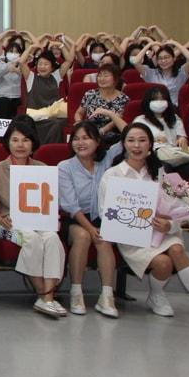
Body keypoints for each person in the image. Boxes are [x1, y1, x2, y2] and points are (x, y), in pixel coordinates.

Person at [100, 122, 189, 334]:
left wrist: (170, 224)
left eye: (142, 140)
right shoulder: (113, 175)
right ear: (124, 144)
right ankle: (156, 294)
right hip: (132, 237)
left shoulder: (161, 173)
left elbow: (177, 211)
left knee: (177, 249)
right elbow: (104, 212)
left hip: (162, 232)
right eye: (131, 140)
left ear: (150, 144)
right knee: (163, 264)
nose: (137, 146)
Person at [0, 116, 65, 319]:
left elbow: (52, 201)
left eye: (25, 140)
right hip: (7, 222)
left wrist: (54, 216)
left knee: (53, 240)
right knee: (32, 239)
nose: (20, 145)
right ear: (7, 143)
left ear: (33, 143)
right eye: (15, 140)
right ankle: (45, 296)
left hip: (38, 220)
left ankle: (47, 298)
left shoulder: (43, 169)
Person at [57, 121, 124, 318]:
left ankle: (106, 296)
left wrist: (110, 116)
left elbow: (129, 133)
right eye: (76, 138)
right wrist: (91, 228)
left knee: (104, 241)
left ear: (97, 140)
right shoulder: (65, 167)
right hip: (75, 219)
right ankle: (76, 292)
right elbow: (71, 206)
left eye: (86, 138)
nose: (80, 143)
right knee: (84, 236)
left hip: (102, 216)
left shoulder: (107, 161)